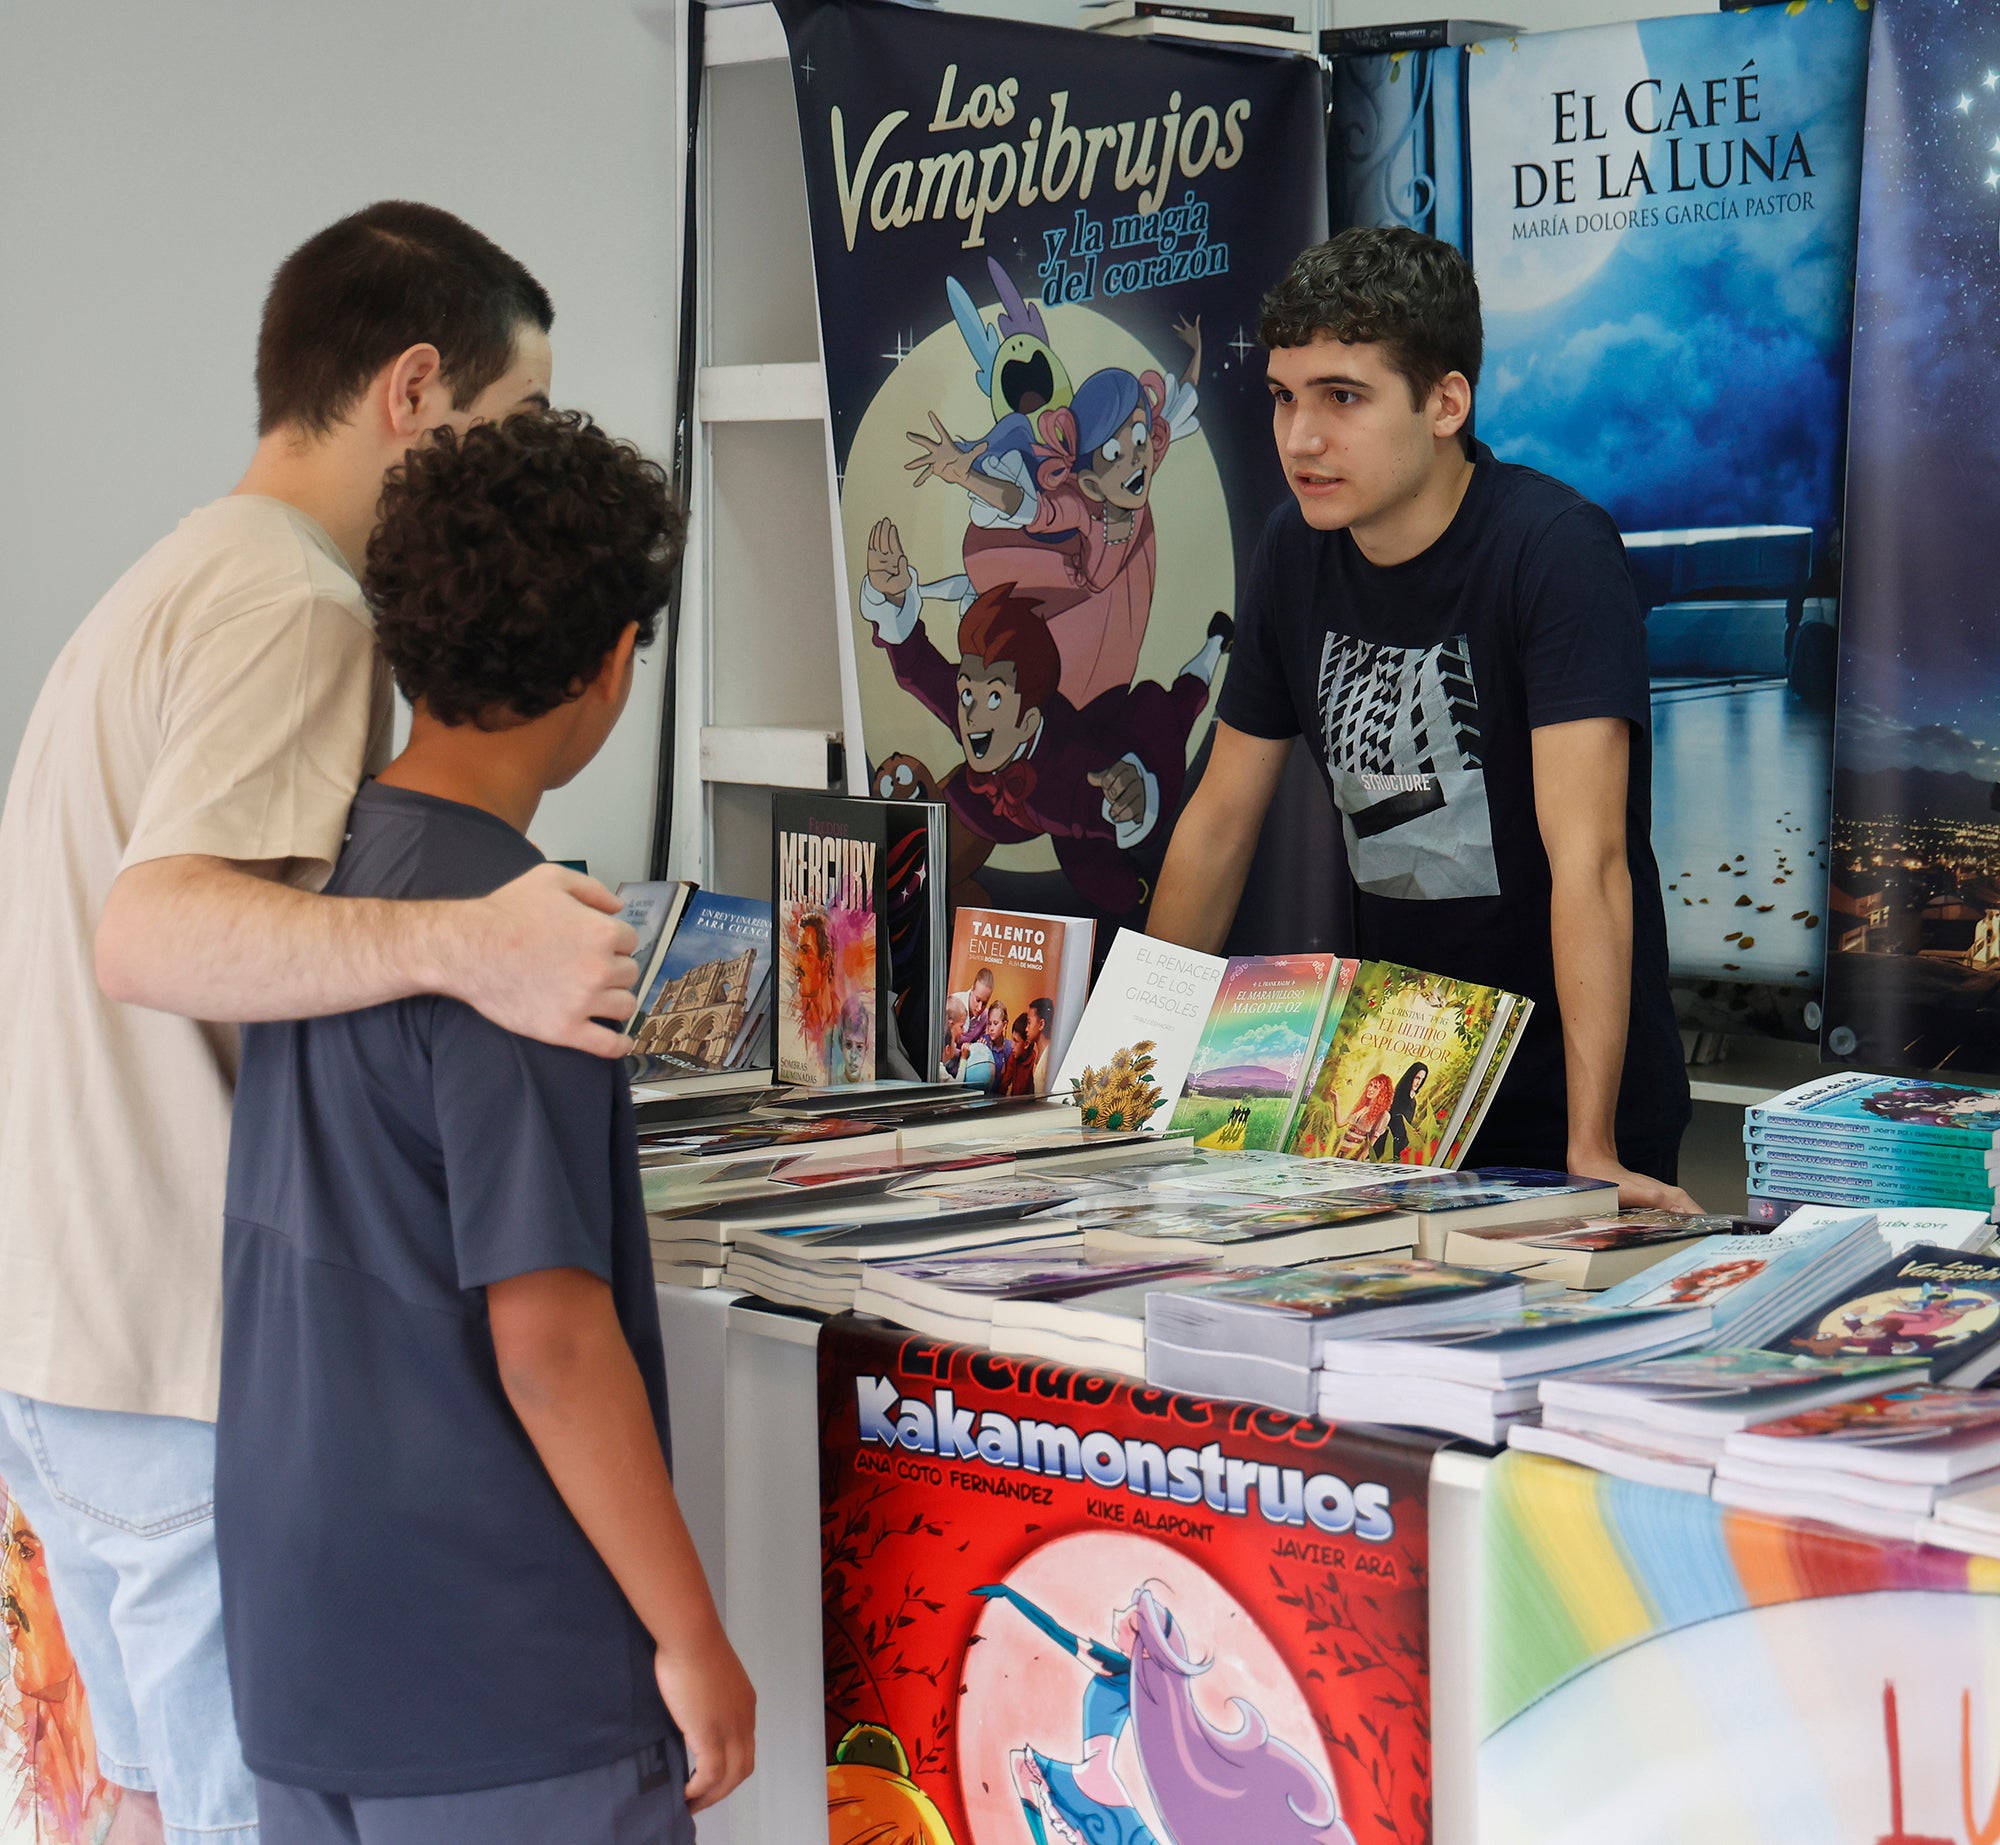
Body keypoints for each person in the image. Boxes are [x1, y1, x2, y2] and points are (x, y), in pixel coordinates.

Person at [0, 201, 639, 1845]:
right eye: (505, 424)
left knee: (137, 1815)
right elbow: (153, 934)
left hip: (66, 1349)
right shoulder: (297, 606)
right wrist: (473, 946)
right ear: (413, 390)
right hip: (180, 1368)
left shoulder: (174, 575)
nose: (510, 481)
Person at [215, 410, 755, 1843]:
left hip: (300, 1641)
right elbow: (552, 1344)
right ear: (614, 663)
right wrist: (692, 1634)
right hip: (501, 1671)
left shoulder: (316, 881)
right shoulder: (531, 942)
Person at [1147, 228, 1694, 1207]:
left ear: (1444, 402)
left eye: (1341, 397)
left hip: (1571, 1103)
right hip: (1396, 1098)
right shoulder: (1292, 549)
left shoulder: (1552, 550)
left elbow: (1591, 863)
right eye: (1283, 396)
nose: (1299, 438)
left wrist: (1592, 1145)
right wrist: (1129, 1077)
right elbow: (1218, 825)